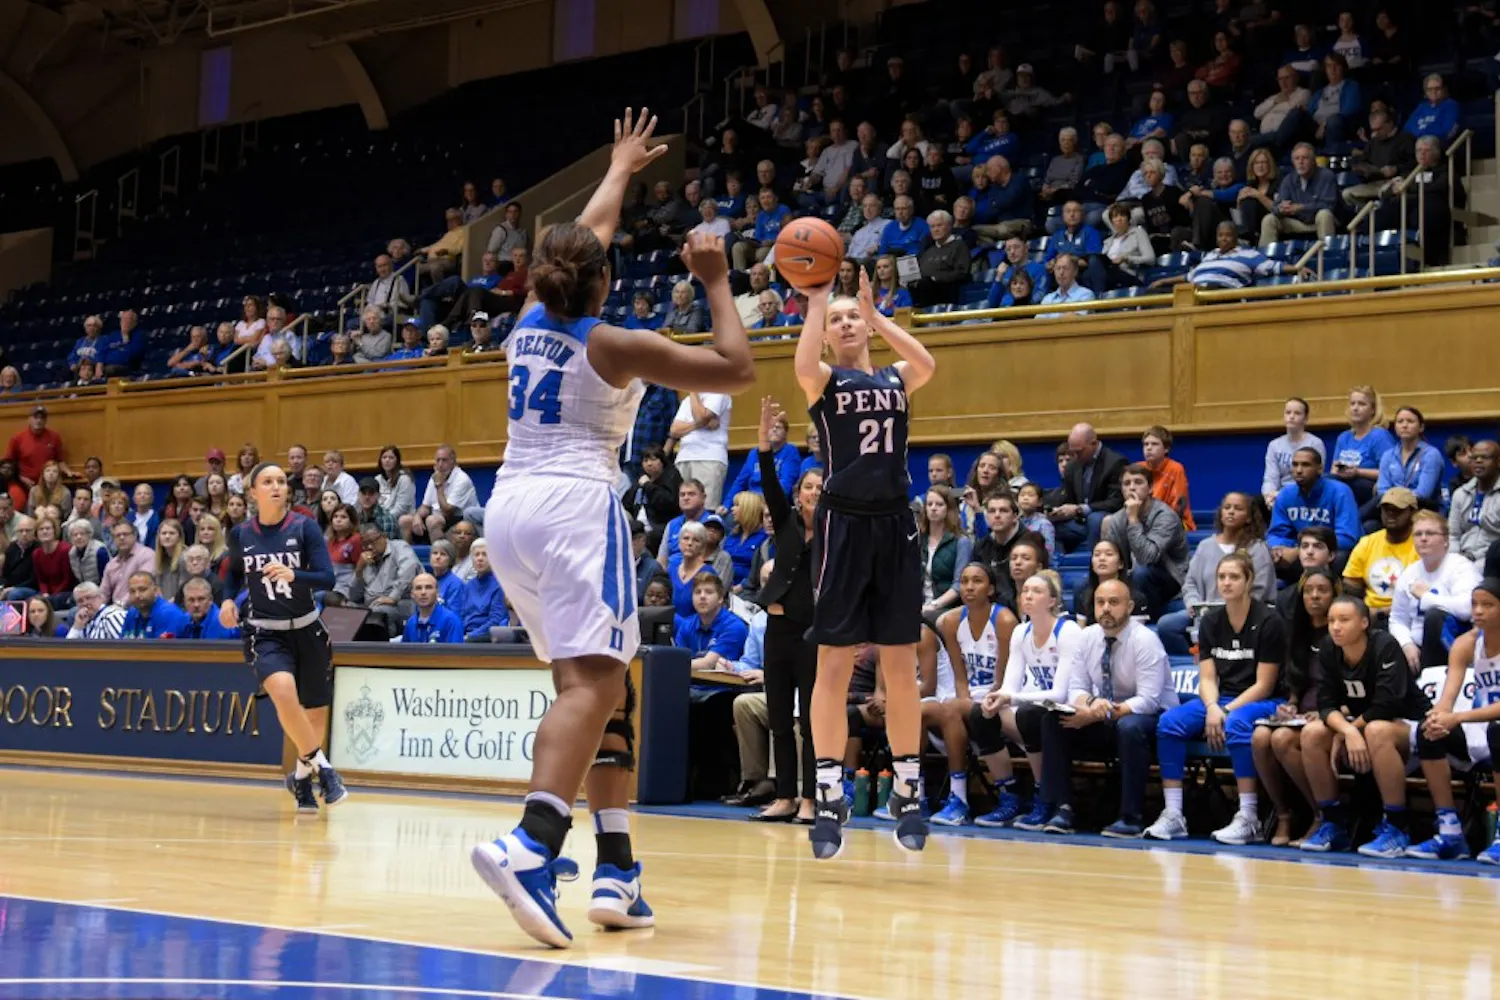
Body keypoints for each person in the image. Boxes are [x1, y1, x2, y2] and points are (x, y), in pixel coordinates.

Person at [469, 109, 754, 949]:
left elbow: (582, 238)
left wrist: (621, 168)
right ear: (600, 284)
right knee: (591, 688)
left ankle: (617, 870)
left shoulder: (526, 320)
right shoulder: (614, 344)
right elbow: (736, 365)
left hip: (510, 506)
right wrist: (714, 278)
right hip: (573, 506)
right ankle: (531, 845)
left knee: (605, 689)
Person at [793, 261, 937, 862]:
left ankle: (908, 785)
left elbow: (928, 364)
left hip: (895, 523)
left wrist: (881, 317)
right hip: (843, 524)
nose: (847, 322)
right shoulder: (823, 381)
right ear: (827, 335)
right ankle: (829, 788)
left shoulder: (896, 379)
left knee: (901, 663)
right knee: (833, 661)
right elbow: (802, 365)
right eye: (839, 320)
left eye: (855, 316)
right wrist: (816, 301)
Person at [218, 462, 348, 814]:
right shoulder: (241, 534)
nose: (276, 486)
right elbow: (232, 576)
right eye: (267, 481)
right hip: (264, 633)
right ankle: (326, 770)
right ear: (253, 492)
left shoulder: (304, 528)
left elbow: (327, 579)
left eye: (280, 481)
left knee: (316, 715)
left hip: (307, 628)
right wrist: (228, 600)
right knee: (283, 692)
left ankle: (302, 779)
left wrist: (295, 574)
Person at [1297, 596, 1468, 856]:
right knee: (1312, 734)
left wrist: (1354, 729)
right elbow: (1325, 704)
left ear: (1364, 622)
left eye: (1344, 620)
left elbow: (1387, 704)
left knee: (1377, 728)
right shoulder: (1329, 650)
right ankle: (1332, 823)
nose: (1335, 627)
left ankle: (1397, 827)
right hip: (1364, 726)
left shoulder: (1385, 645)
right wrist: (1348, 730)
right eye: (1332, 621)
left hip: (1412, 727)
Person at [1146, 552, 1287, 844]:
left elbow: (1264, 684)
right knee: (1170, 723)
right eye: (1222, 577)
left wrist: (1224, 710)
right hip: (1221, 700)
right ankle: (1174, 815)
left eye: (1234, 576)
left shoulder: (1270, 620)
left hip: (1265, 700)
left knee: (1236, 723)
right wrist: (1212, 706)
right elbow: (1207, 678)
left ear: (1249, 581)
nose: (1226, 582)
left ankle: (1249, 818)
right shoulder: (1210, 623)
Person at [1037, 579, 1177, 837]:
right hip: (1104, 719)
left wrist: (1095, 713)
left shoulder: (1145, 640)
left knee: (1129, 726)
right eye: (1100, 603)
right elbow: (1076, 689)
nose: (1106, 609)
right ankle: (1063, 809)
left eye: (1114, 602)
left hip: (1150, 723)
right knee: (1053, 720)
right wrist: (1089, 705)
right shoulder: (1087, 637)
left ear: (1130, 606)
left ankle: (1131, 817)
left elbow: (1148, 701)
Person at [748, 398, 823, 823]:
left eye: (819, 488)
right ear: (798, 495)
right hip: (778, 630)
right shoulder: (785, 518)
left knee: (811, 721)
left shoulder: (835, 530)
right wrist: (763, 434)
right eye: (807, 488)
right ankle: (785, 797)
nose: (813, 493)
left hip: (814, 636)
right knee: (778, 716)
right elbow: (766, 475)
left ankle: (810, 798)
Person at [929, 562, 1019, 826]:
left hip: (1001, 699)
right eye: (965, 581)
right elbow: (959, 675)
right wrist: (964, 700)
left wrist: (970, 704)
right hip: (967, 698)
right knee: (928, 711)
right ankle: (927, 795)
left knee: (952, 711)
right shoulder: (950, 621)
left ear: (990, 588)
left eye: (977, 581)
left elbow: (1002, 679)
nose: (969, 587)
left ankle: (960, 798)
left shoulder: (1004, 620)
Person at [1420, 581, 1500, 862]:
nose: (1478, 611)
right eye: (1474, 604)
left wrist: (1459, 717)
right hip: (1479, 729)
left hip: (1493, 728)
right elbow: (1448, 696)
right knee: (1427, 732)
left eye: (1487, 605)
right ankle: (1450, 830)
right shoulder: (1466, 644)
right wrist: (1439, 717)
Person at [1157, 492, 1274, 656]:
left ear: (1248, 517)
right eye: (1227, 507)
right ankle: (1193, 662)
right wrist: (1193, 604)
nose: (1231, 512)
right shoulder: (1205, 546)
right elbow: (1190, 583)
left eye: (1238, 508)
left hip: (1244, 614)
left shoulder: (1258, 548)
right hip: (1204, 613)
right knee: (1166, 625)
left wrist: (1231, 611)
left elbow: (1259, 590)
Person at [1387, 512, 1478, 670]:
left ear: (1446, 541)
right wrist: (1406, 644)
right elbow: (1397, 619)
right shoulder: (1409, 573)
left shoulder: (1460, 567)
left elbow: (1467, 609)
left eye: (1430, 533)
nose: (1423, 538)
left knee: (1434, 616)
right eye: (1418, 534)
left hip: (1452, 645)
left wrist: (1427, 597)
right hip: (1416, 647)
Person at [1102, 463, 1189, 621]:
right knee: (1087, 582)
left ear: (1150, 489)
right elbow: (1111, 556)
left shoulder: (1165, 516)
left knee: (1142, 572)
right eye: (1127, 484)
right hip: (1133, 574)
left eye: (1138, 482)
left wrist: (1133, 519)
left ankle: (1149, 621)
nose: (1132, 488)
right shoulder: (1117, 518)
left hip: (1170, 579)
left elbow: (1147, 557)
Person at [1341, 487, 1419, 621]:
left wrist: (1383, 612)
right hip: (1369, 614)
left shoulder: (1422, 544)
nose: (1391, 514)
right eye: (1386, 509)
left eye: (1397, 510)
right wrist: (1363, 611)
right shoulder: (1367, 543)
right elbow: (1351, 587)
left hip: (1408, 615)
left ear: (1412, 512)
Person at [1262, 397, 1325, 507]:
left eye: (1297, 413)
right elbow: (1270, 478)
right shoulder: (1274, 445)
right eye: (1288, 412)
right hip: (1277, 494)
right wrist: (1268, 496)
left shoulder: (1315, 443)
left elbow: (1315, 477)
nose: (1291, 416)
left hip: (1305, 493)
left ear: (1305, 419)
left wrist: (1284, 495)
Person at [120, 571, 193, 639]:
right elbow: (121, 647)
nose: (137, 595)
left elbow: (161, 651)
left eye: (142, 589)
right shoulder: (132, 613)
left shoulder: (168, 614)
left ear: (155, 591)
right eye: (132, 591)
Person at [460, 540, 509, 642]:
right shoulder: (469, 585)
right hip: (466, 635)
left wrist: (471, 636)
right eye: (476, 555)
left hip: (486, 639)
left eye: (484, 554)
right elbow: (462, 615)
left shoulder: (499, 585)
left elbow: (496, 620)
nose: (480, 558)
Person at [403, 573, 465, 644]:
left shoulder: (451, 621)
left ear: (437, 592)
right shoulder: (411, 622)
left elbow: (456, 654)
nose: (423, 592)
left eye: (428, 587)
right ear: (412, 594)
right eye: (418, 588)